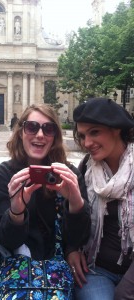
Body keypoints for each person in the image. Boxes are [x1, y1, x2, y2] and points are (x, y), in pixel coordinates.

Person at [0, 103, 91, 298]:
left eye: (48, 128)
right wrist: (16, 211)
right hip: (17, 272)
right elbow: (7, 241)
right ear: (21, 132)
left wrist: (76, 202)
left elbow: (79, 238)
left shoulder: (68, 174)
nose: (40, 135)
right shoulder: (4, 175)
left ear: (55, 138)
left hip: (57, 273)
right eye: (31, 127)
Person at [70, 97, 134, 300]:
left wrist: (125, 291)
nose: (87, 143)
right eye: (82, 136)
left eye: (95, 132)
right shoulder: (86, 168)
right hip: (97, 269)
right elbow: (75, 218)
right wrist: (71, 248)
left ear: (116, 129)